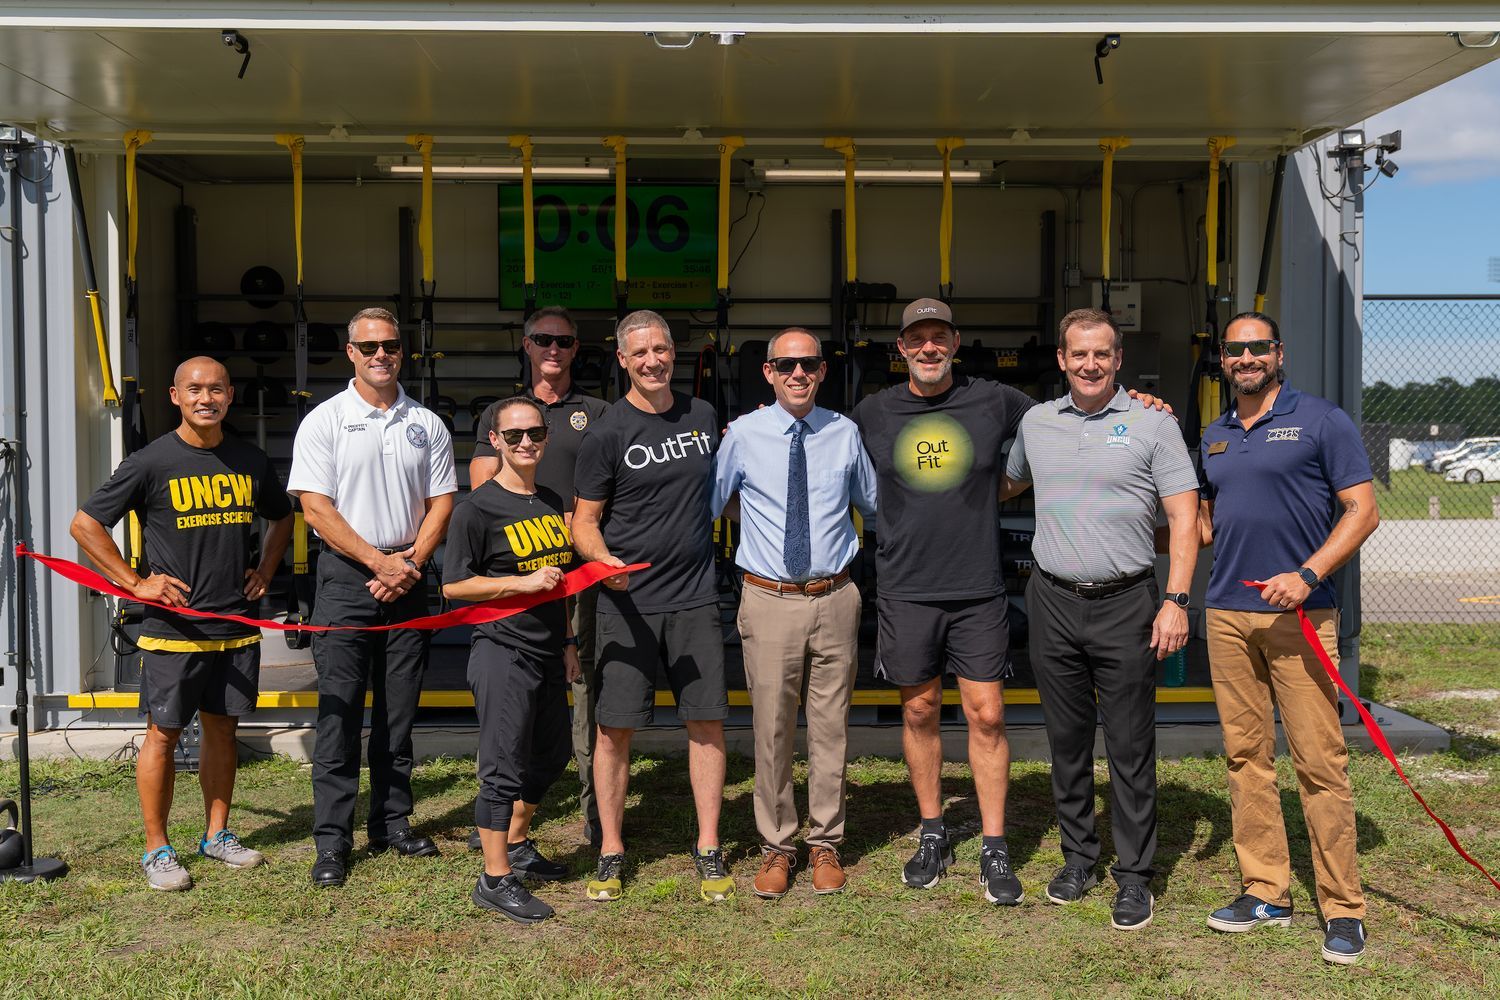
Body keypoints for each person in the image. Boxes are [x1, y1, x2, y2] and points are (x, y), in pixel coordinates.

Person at [1001, 308, 1200, 930]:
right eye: (1078, 354)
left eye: (1102, 355)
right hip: (1053, 598)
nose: (1090, 365)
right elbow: (1002, 483)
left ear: (1118, 360)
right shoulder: (1036, 422)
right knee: (1065, 742)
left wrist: (1177, 600)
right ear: (1062, 360)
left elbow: (1186, 519)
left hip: (1128, 602)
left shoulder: (1153, 423)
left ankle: (1135, 876)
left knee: (1130, 745)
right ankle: (1077, 858)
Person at [1196, 312, 1379, 965]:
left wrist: (1308, 574)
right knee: (1246, 758)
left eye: (1257, 347)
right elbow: (1206, 524)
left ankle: (1344, 908)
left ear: (1278, 352)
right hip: (1226, 613)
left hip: (1302, 614)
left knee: (1319, 764)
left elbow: (1364, 509)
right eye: (1234, 349)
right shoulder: (1214, 435)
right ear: (1223, 358)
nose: (1245, 357)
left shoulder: (1322, 421)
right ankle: (1267, 890)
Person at [71, 356, 292, 891]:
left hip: (234, 623)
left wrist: (263, 569)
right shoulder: (151, 462)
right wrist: (134, 582)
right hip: (173, 628)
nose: (206, 398)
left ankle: (216, 836)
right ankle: (157, 849)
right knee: (163, 734)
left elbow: (282, 514)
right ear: (175, 396)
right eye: (194, 389)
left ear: (230, 395)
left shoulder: (249, 459)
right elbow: (85, 524)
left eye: (216, 388)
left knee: (223, 728)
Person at [850, 297, 1035, 905]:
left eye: (939, 337)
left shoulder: (995, 400)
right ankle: (932, 831)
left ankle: (994, 842)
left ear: (956, 342)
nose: (928, 348)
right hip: (906, 587)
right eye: (916, 339)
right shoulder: (873, 412)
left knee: (987, 714)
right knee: (920, 711)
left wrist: (1139, 402)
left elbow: (1060, 428)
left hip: (977, 586)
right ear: (899, 349)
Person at [287, 306, 456, 889]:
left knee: (398, 714)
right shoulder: (324, 421)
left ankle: (392, 823)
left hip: (408, 577)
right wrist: (378, 562)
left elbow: (442, 503)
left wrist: (407, 563)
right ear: (350, 353)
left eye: (390, 345)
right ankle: (332, 842)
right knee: (338, 715)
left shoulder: (427, 423)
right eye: (369, 346)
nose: (381, 354)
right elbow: (315, 507)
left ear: (400, 350)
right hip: (345, 579)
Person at [572, 309, 732, 903]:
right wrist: (602, 562)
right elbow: (584, 523)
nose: (653, 361)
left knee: (706, 722)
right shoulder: (606, 433)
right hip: (627, 603)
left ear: (674, 351)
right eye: (639, 353)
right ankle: (611, 847)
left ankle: (709, 845)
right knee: (614, 730)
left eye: (660, 349)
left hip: (693, 599)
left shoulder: (702, 415)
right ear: (622, 360)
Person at [711, 328, 878, 898]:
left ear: (823, 371)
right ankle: (778, 845)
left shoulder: (845, 432)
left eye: (808, 364)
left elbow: (872, 501)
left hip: (836, 597)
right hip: (769, 599)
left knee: (831, 727)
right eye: (786, 364)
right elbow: (716, 501)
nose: (798, 373)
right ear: (768, 372)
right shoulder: (744, 435)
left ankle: (826, 841)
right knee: (773, 727)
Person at [469, 306, 609, 851]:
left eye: (565, 341)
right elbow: (485, 493)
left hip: (578, 580)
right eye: (543, 340)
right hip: (519, 583)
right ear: (526, 346)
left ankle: (594, 818)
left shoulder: (597, 411)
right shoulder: (503, 414)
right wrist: (547, 526)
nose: (554, 349)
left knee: (582, 702)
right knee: (515, 722)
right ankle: (507, 844)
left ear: (577, 349)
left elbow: (608, 491)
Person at [444, 396, 582, 923]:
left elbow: (562, 585)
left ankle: (518, 842)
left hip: (549, 650)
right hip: (503, 649)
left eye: (536, 434)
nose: (527, 443)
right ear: (495, 441)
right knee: (502, 767)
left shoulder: (549, 499)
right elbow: (455, 584)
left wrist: (568, 643)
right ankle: (495, 876)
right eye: (515, 435)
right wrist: (518, 583)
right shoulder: (476, 509)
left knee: (549, 755)